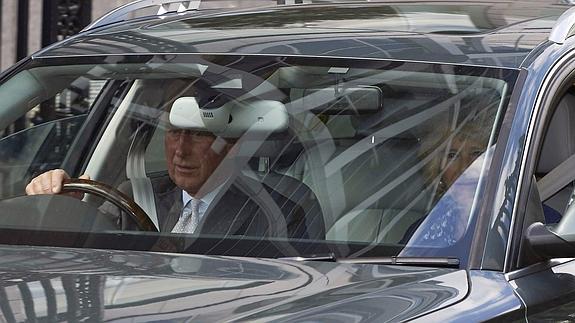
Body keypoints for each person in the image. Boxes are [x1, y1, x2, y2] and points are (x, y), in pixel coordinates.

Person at [25, 104, 325, 240]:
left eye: (197, 135)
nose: (180, 150)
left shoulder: (276, 211)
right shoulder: (133, 196)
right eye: (173, 132)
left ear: (230, 145)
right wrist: (62, 205)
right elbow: (84, 256)